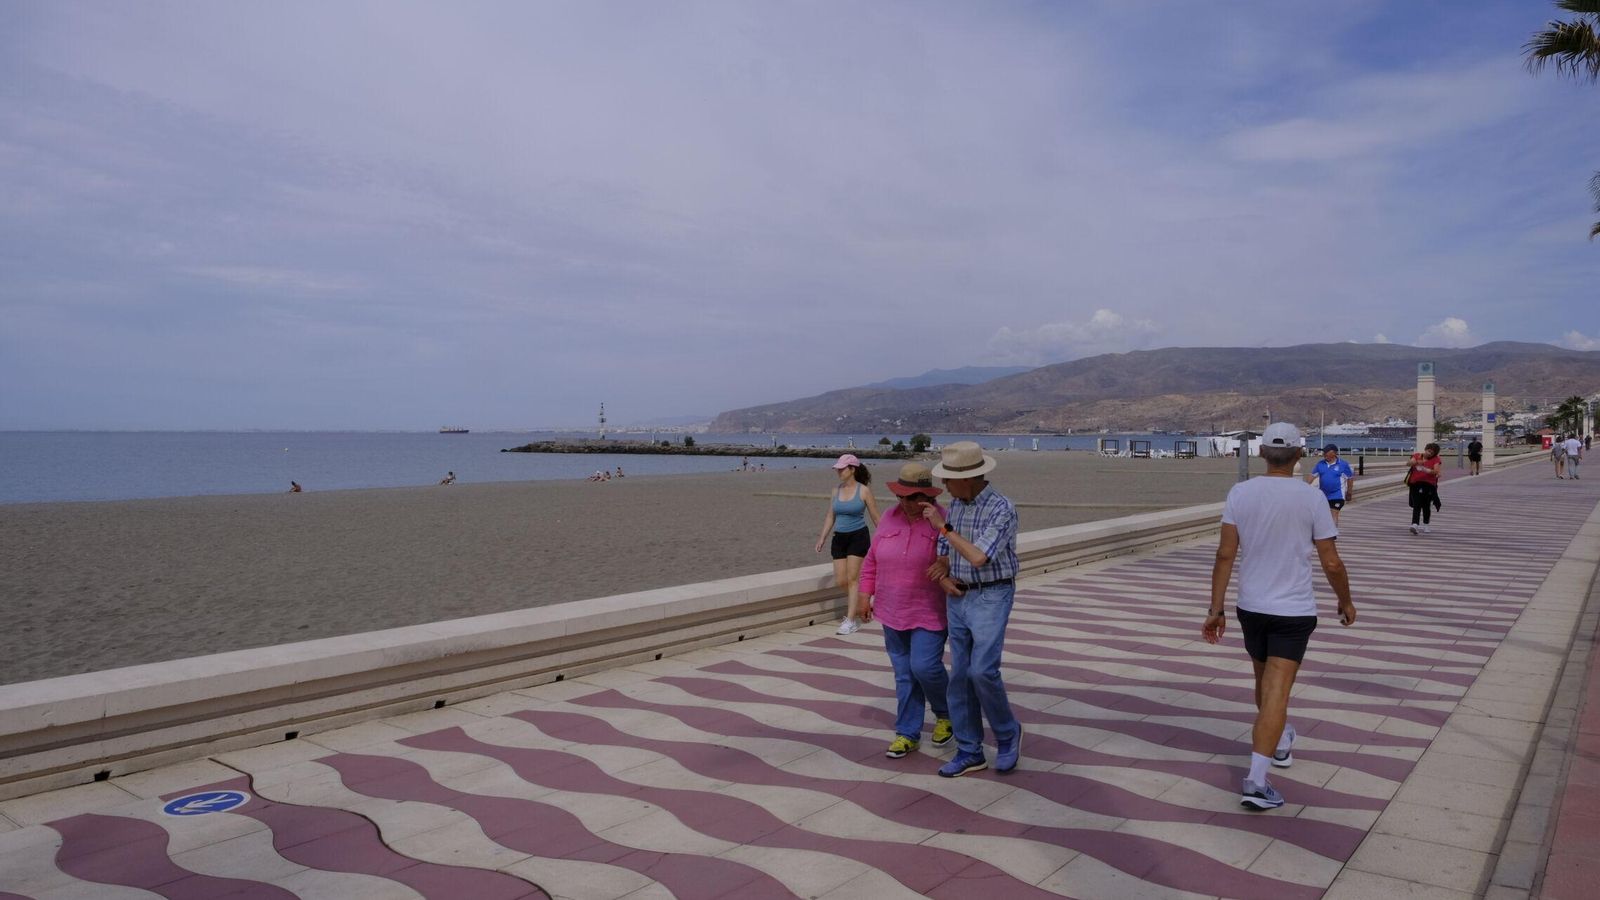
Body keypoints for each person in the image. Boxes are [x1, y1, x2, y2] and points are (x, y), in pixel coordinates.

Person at [1205, 422, 1356, 810]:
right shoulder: (1312, 498)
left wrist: (1215, 609)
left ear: (1260, 454)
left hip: (1251, 606)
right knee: (1277, 690)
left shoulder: (1241, 492)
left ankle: (1282, 740)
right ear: (1299, 455)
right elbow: (1331, 561)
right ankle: (1256, 780)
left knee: (1265, 684)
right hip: (1292, 610)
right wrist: (1346, 600)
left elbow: (1225, 554)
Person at [920, 441, 1022, 777]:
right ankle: (969, 750)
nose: (945, 485)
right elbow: (947, 551)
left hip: (992, 595)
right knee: (960, 676)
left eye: (949, 479)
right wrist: (943, 573)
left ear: (970, 477)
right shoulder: (957, 504)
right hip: (959, 596)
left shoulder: (1001, 508)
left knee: (982, 671)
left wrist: (943, 527)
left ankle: (1007, 734)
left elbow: (978, 556)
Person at [859, 463, 953, 759]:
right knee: (903, 673)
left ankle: (946, 713)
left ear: (927, 496)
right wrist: (865, 595)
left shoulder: (944, 519)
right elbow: (872, 559)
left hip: (929, 610)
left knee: (925, 667)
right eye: (903, 496)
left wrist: (945, 557)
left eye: (914, 497)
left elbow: (956, 554)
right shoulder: (889, 517)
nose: (908, 503)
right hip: (890, 609)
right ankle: (907, 733)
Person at [814, 454, 880, 635]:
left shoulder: (864, 491)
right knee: (841, 580)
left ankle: (850, 620)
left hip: (858, 536)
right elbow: (830, 516)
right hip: (839, 538)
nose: (838, 471)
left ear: (852, 469)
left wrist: (886, 540)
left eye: (842, 469)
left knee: (852, 579)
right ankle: (866, 599)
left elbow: (876, 517)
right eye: (837, 468)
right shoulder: (836, 491)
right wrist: (822, 537)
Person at [1306, 444, 1355, 525]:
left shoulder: (1343, 464)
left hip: (1337, 495)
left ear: (1334, 453)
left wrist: (1349, 493)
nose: (1324, 454)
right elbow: (1311, 476)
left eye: (1326, 452)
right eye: (1324, 452)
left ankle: (1333, 534)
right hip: (1323, 496)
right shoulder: (1320, 464)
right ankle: (1326, 532)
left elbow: (1350, 478)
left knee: (1334, 514)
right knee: (1322, 516)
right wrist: (1304, 488)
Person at [1407, 443, 1443, 534]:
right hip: (1416, 484)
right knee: (1416, 504)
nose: (1429, 453)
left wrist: (1424, 469)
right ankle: (1415, 524)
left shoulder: (1436, 459)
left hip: (1429, 485)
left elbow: (1436, 471)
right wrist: (1415, 462)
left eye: (1432, 452)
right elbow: (1408, 463)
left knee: (1426, 506)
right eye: (1428, 451)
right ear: (1426, 449)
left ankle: (1426, 524)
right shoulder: (1417, 455)